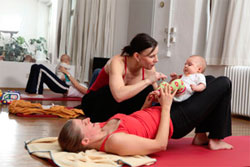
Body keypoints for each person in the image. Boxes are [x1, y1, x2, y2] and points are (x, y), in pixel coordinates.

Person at [58, 75, 233, 156]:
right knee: (224, 83)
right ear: (85, 141)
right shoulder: (113, 141)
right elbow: (160, 144)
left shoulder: (101, 126)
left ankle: (201, 136)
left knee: (206, 79)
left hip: (162, 109)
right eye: (84, 125)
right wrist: (165, 107)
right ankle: (216, 139)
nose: (87, 119)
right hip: (175, 121)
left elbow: (136, 124)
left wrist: (147, 104)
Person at [80, 33, 167, 122]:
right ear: (137, 56)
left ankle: (128, 122)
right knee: (115, 89)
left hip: (118, 107)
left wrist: (171, 89)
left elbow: (156, 96)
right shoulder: (117, 62)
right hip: (94, 104)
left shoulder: (149, 68)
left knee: (147, 90)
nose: (156, 60)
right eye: (152, 56)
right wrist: (148, 80)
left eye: (156, 55)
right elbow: (118, 96)